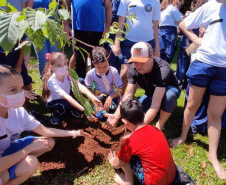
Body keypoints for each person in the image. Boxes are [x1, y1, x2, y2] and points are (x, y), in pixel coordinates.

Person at [0, 65, 89, 185]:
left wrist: (75, 133)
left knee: (47, 143)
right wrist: (28, 149)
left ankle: (11, 169)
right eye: (13, 90)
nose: (20, 93)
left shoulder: (18, 112)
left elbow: (45, 131)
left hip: (5, 151)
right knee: (29, 163)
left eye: (21, 88)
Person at [169, 0, 226, 180]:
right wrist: (194, 38)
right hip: (203, 63)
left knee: (215, 114)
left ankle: (212, 155)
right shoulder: (211, 6)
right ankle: (183, 136)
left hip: (224, 69)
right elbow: (185, 23)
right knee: (192, 104)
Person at [103, 42, 181, 130]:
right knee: (136, 111)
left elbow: (155, 105)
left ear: (151, 56)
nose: (138, 66)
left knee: (169, 96)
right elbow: (128, 95)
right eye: (135, 62)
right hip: (151, 93)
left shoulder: (162, 70)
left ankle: (160, 123)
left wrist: (139, 128)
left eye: (142, 62)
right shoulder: (133, 69)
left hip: (168, 89)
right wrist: (116, 115)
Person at [107, 98, 176, 185]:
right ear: (143, 114)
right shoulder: (156, 129)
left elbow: (119, 163)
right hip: (171, 175)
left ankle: (127, 182)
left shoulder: (130, 142)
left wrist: (112, 161)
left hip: (154, 182)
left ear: (125, 122)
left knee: (128, 157)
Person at [112, 0, 161, 93]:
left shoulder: (155, 1)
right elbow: (121, 22)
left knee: (143, 72)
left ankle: (130, 100)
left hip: (148, 41)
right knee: (124, 74)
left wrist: (157, 48)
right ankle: (121, 98)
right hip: (129, 40)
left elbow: (155, 26)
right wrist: (117, 43)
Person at [42, 52, 102, 124]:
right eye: (59, 65)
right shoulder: (51, 82)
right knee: (65, 105)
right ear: (52, 67)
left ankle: (73, 109)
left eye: (65, 64)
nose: (64, 67)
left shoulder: (68, 73)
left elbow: (79, 85)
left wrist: (93, 98)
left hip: (67, 98)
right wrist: (84, 111)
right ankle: (56, 113)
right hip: (56, 102)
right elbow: (67, 97)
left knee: (81, 81)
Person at [63, 0, 112, 78]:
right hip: (79, 29)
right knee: (80, 60)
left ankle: (96, 86)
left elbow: (108, 6)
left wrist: (108, 26)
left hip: (98, 29)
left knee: (98, 60)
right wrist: (65, 23)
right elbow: (66, 4)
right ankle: (80, 85)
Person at [85, 47, 123, 114]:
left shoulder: (113, 72)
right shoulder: (90, 74)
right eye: (99, 67)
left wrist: (111, 97)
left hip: (111, 96)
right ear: (93, 63)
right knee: (99, 115)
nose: (102, 70)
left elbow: (120, 89)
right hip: (98, 97)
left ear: (108, 61)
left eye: (105, 66)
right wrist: (96, 97)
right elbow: (88, 88)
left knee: (113, 110)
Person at [32, 0, 59, 79]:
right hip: (37, 28)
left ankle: (56, 80)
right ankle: (44, 82)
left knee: (55, 56)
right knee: (43, 58)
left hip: (53, 26)